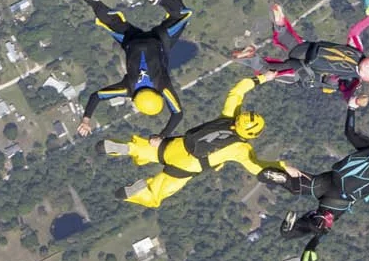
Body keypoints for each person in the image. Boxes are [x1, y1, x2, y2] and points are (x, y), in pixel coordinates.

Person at [103, 74, 308, 208]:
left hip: (177, 145)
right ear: (253, 135)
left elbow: (237, 92)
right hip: (188, 165)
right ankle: (140, 190)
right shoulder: (240, 149)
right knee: (155, 196)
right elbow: (259, 169)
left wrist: (265, 77)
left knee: (148, 150)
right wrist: (284, 168)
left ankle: (130, 147)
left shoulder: (228, 116)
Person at [286, 110, 369, 251]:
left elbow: (349, 132)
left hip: (329, 179)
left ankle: (283, 177)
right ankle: (297, 230)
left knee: (300, 185)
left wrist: (351, 107)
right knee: (321, 226)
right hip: (339, 200)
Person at [75, 0, 188, 136]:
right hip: (131, 42)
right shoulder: (128, 88)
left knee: (181, 16)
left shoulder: (162, 86)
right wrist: (86, 119)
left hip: (158, 40)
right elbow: (97, 96)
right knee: (110, 21)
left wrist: (162, 136)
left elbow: (178, 114)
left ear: (157, 96)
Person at [250, 1, 369, 110]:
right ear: (366, 77)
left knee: (285, 36)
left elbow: (355, 31)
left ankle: (280, 23)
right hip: (302, 71)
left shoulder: (357, 51)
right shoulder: (353, 80)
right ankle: (249, 57)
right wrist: (357, 101)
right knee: (268, 71)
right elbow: (348, 97)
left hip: (307, 50)